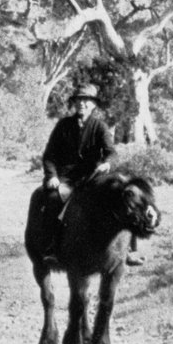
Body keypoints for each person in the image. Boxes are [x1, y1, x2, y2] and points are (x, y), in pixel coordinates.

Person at [36, 84, 142, 264]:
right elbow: (50, 155)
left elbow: (111, 152)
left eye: (87, 100)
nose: (82, 104)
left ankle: (131, 250)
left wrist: (106, 164)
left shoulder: (100, 127)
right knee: (53, 200)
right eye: (79, 100)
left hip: (93, 177)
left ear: (93, 105)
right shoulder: (63, 126)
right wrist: (52, 176)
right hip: (66, 178)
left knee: (123, 198)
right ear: (74, 103)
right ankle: (52, 247)